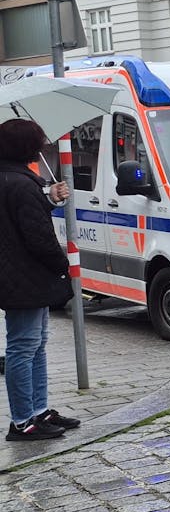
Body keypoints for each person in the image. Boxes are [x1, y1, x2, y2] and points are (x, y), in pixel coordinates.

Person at [0, 118, 79, 441]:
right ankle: (22, 421)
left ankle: (39, 410)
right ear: (25, 147)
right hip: (24, 276)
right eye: (38, 141)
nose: (42, 146)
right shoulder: (19, 182)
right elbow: (38, 237)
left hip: (20, 275)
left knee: (36, 344)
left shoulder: (14, 179)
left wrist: (48, 197)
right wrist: (63, 265)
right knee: (24, 347)